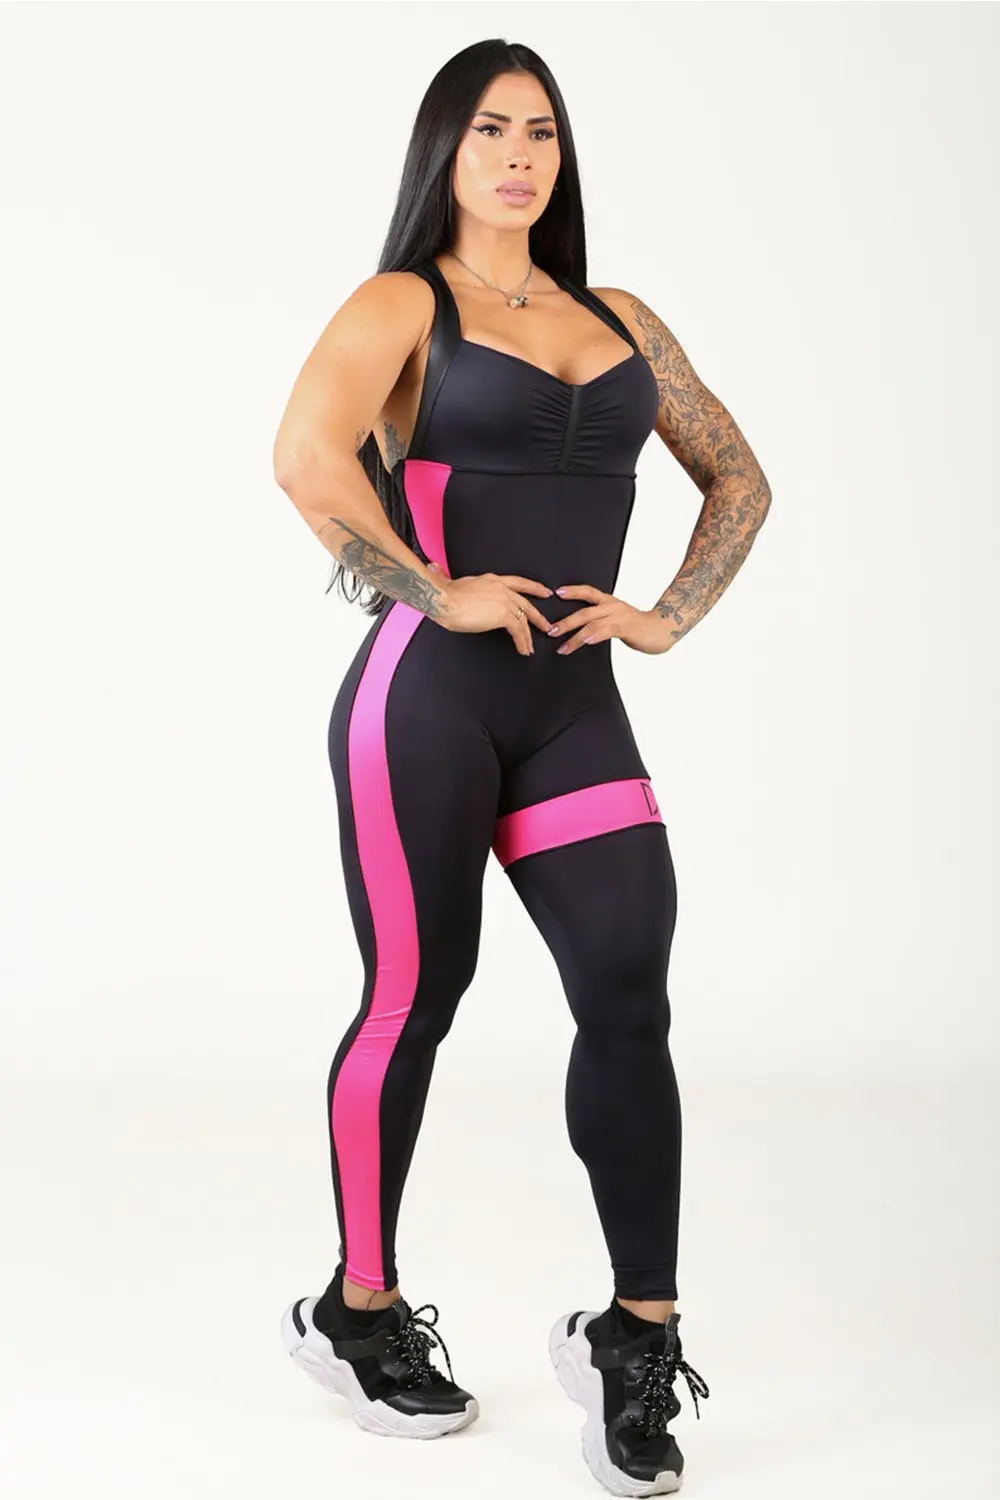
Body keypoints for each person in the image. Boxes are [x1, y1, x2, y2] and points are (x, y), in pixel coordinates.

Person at [272, 37, 770, 1498]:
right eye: (490, 130)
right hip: (424, 706)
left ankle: (635, 1334)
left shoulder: (621, 319)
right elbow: (306, 458)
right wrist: (438, 593)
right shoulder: (401, 304)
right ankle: (358, 1308)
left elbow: (738, 476)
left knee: (626, 987)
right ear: (447, 149)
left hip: (573, 711)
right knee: (416, 996)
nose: (517, 156)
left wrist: (665, 616)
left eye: (540, 132)